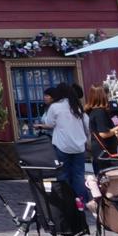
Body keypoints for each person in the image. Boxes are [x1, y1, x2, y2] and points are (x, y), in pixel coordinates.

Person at [39, 83, 91, 213]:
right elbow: (87, 125)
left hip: (62, 145)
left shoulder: (55, 107)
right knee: (79, 175)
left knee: (63, 175)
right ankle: (81, 202)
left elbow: (49, 123)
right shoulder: (77, 107)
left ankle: (68, 202)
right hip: (79, 146)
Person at [85, 83, 118, 172]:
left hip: (100, 152)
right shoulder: (100, 113)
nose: (109, 96)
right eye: (107, 94)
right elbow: (103, 134)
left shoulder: (93, 111)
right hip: (105, 153)